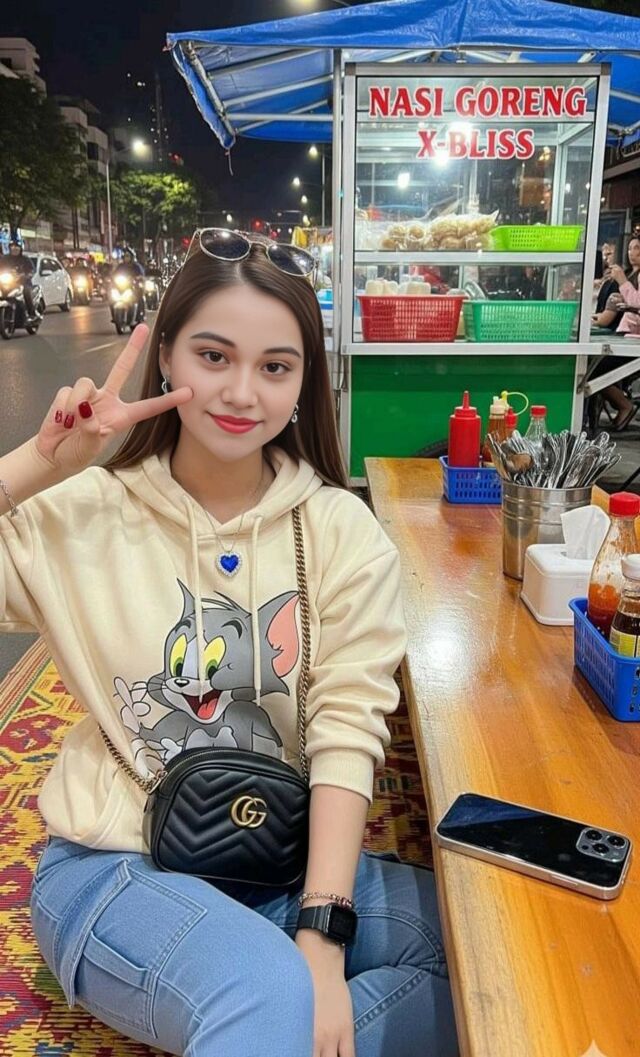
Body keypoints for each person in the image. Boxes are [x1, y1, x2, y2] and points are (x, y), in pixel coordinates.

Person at [1, 230, 458, 1057]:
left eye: (275, 367)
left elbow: (347, 730)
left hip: (274, 858)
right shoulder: (82, 511)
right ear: (166, 354)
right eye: (213, 356)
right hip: (115, 868)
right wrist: (38, 463)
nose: (242, 392)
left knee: (471, 957)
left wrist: (322, 930)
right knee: (270, 988)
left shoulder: (341, 531)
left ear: (304, 381)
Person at [590, 236, 640, 432]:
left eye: (637, 248)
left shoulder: (625, 278)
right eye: (630, 248)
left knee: (594, 369)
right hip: (625, 336)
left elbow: (635, 303)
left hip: (634, 341)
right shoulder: (628, 275)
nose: (632, 252)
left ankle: (624, 405)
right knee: (593, 364)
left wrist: (622, 282)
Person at [1, 239, 40, 319]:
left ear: (20, 248)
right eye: (12, 246)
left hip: (23, 282)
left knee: (26, 291)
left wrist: (26, 275)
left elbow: (32, 270)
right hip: (7, 283)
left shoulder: (25, 259)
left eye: (16, 246)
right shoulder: (4, 259)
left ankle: (31, 313)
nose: (14, 248)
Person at [113, 246, 145, 321]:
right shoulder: (120, 266)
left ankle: (140, 315)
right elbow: (114, 274)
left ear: (131, 257)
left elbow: (141, 275)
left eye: (128, 256)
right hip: (121, 287)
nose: (126, 258)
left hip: (133, 287)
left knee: (139, 297)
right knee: (111, 299)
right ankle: (114, 316)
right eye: (125, 256)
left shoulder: (136, 266)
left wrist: (137, 278)